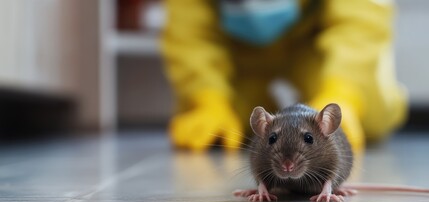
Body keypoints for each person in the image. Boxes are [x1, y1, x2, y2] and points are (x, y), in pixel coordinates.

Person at [161, 0, 408, 155]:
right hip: (236, 50)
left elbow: (360, 19)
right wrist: (207, 98)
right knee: (226, 126)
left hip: (314, 36)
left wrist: (345, 90)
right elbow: (190, 34)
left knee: (370, 115)